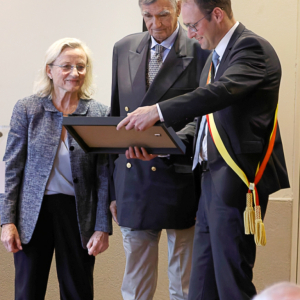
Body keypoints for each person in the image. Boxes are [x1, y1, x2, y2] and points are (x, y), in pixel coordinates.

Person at [117, 0, 290, 299]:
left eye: (193, 25)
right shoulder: (214, 59)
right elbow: (203, 125)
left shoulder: (251, 48)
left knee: (230, 282)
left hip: (236, 181)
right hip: (210, 182)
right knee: (200, 288)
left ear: (218, 15)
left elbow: (218, 94)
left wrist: (158, 110)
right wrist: (160, 146)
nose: (191, 33)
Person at [109, 0, 209, 299]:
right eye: (148, 16)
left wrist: (166, 146)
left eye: (163, 15)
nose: (156, 24)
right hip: (133, 179)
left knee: (185, 283)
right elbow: (117, 116)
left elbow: (205, 118)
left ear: (178, 8)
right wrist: (113, 191)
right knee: (135, 286)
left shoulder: (200, 47)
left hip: (182, 178)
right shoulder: (124, 47)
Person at [0, 38, 112, 300]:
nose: (75, 73)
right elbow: (12, 168)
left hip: (77, 215)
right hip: (32, 214)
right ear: (49, 70)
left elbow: (104, 175)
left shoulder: (98, 113)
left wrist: (102, 226)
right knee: (28, 292)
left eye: (81, 67)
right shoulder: (28, 109)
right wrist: (7, 221)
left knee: (78, 291)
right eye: (66, 66)